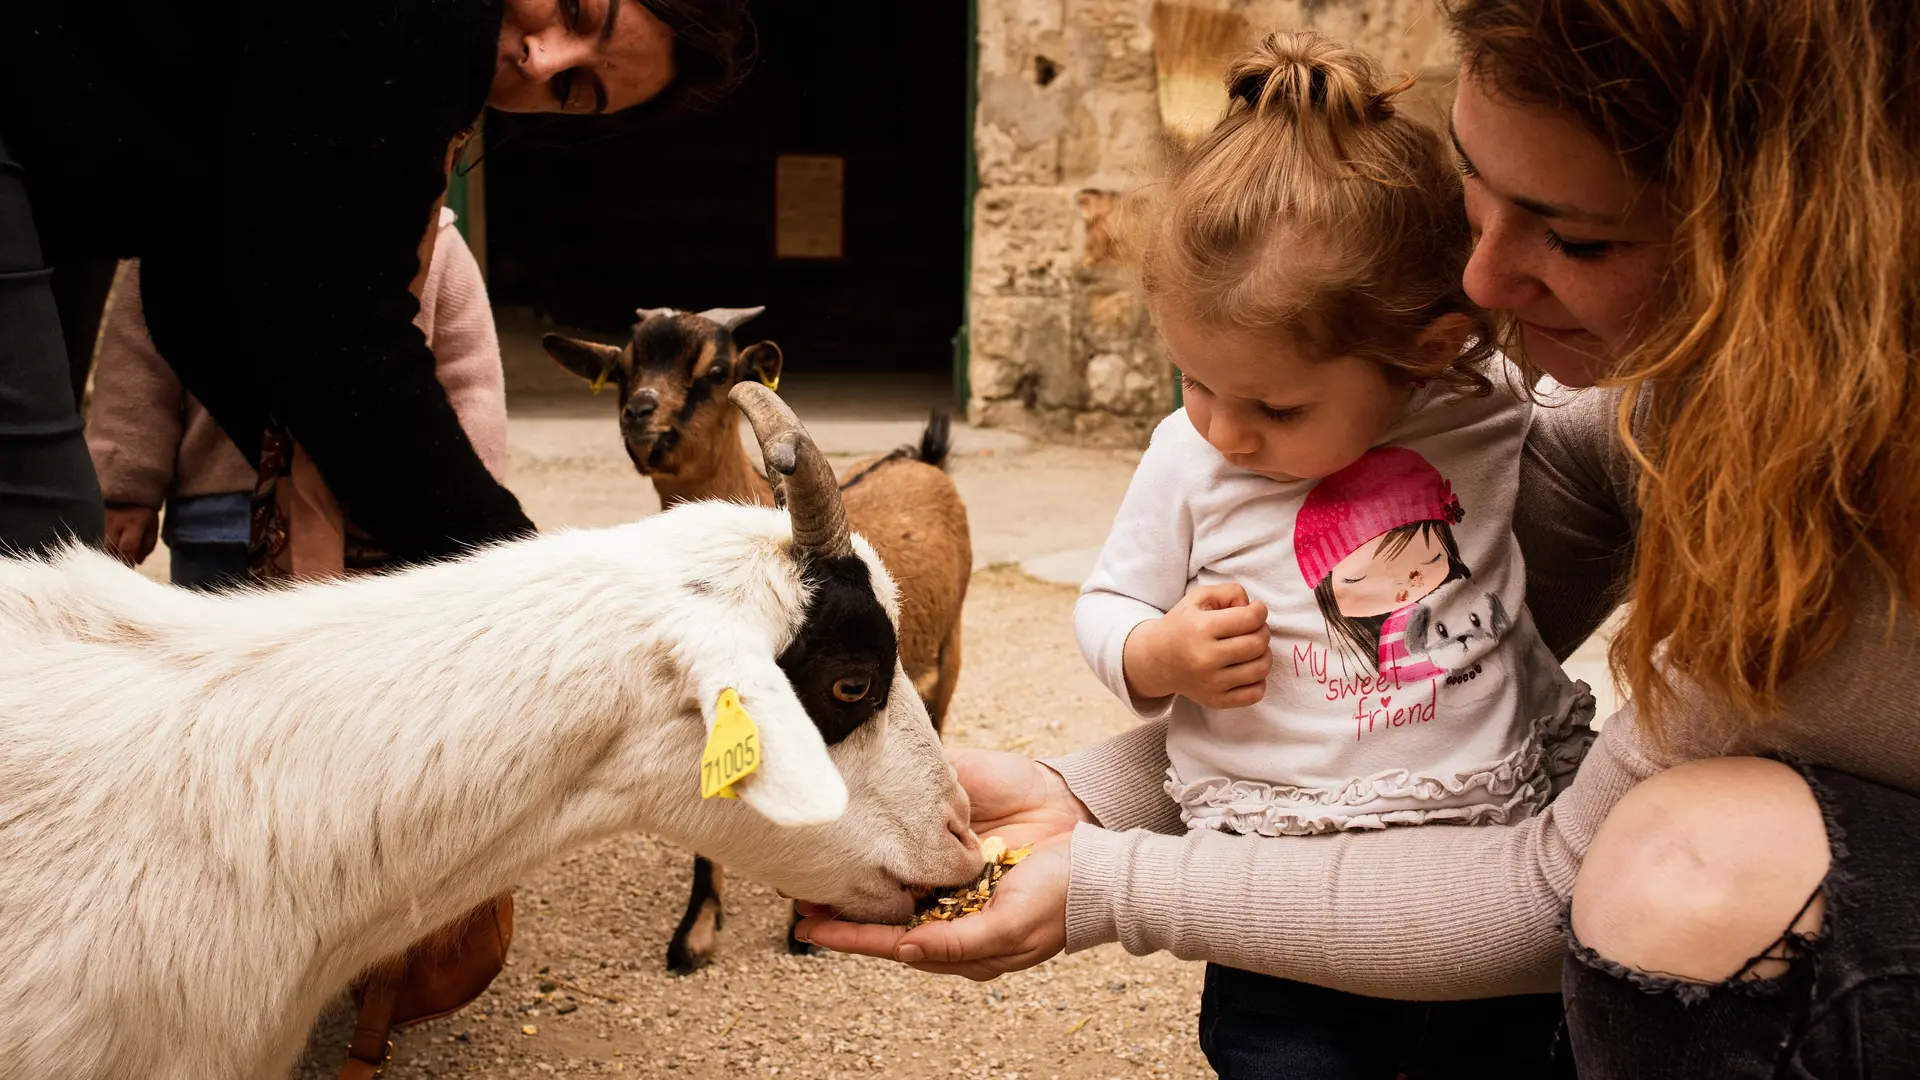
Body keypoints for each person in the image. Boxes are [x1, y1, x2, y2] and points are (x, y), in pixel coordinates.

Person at [799, 1, 1920, 1075]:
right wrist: (1091, 790)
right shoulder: (1620, 417)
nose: (1480, 282)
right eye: (1477, 191)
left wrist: (1109, 882)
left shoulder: (1836, 481)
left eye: (1574, 238)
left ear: (1788, 240)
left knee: (1686, 869)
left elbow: (1553, 886)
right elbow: (1406, 672)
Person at [1069, 31, 1589, 1076]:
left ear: (1427, 354)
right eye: (1196, 382)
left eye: (1276, 404)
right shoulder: (1189, 459)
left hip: (1477, 872)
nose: (1224, 427)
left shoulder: (1479, 409)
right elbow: (1105, 600)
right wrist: (1155, 654)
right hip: (1279, 914)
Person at [0, 0, 748, 566]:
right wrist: (522, 578)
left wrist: (326, 483)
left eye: (574, 91)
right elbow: (339, 343)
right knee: (40, 541)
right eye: (578, 9)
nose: (543, 60)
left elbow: (203, 286)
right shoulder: (423, 24)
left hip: (50, 190)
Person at [88, 208, 510, 590]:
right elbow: (140, 365)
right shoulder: (195, 221)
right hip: (223, 508)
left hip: (386, 514)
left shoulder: (432, 235)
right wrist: (127, 487)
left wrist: (468, 502)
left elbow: (470, 377)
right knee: (218, 661)